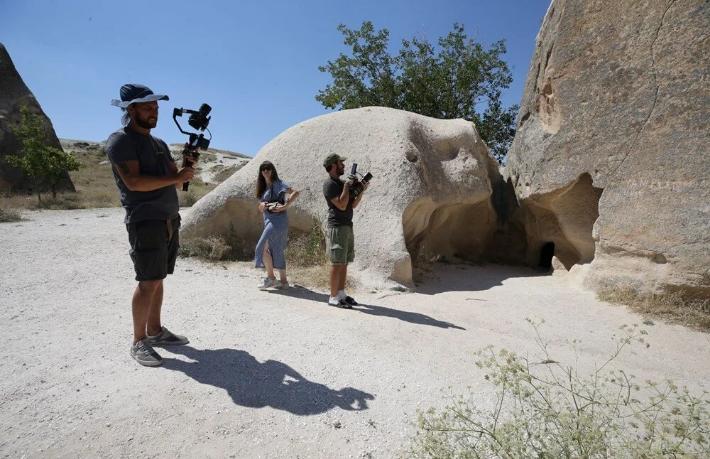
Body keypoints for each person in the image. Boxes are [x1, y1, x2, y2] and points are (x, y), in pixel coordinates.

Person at [105, 83, 196, 367]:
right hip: (145, 220)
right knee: (147, 282)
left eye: (155, 107)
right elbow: (133, 182)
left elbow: (177, 178)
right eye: (147, 107)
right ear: (130, 110)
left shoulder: (159, 144)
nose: (153, 111)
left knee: (158, 278)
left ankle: (155, 331)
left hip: (169, 218)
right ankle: (138, 341)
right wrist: (175, 177)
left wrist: (186, 165)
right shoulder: (121, 141)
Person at [322, 154, 368, 308]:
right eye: (341, 163)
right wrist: (347, 186)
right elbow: (341, 205)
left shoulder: (342, 183)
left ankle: (341, 293)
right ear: (334, 165)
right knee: (337, 263)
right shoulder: (329, 184)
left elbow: (352, 204)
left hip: (347, 225)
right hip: (337, 226)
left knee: (344, 261)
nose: (343, 166)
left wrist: (361, 190)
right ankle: (333, 297)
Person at [254, 161, 299, 289]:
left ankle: (271, 278)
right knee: (277, 249)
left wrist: (285, 205)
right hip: (269, 220)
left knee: (262, 247)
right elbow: (262, 205)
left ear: (273, 170)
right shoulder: (263, 187)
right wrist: (262, 206)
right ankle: (284, 282)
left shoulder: (278, 183)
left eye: (268, 169)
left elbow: (295, 192)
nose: (265, 171)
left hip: (277, 221)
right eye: (263, 169)